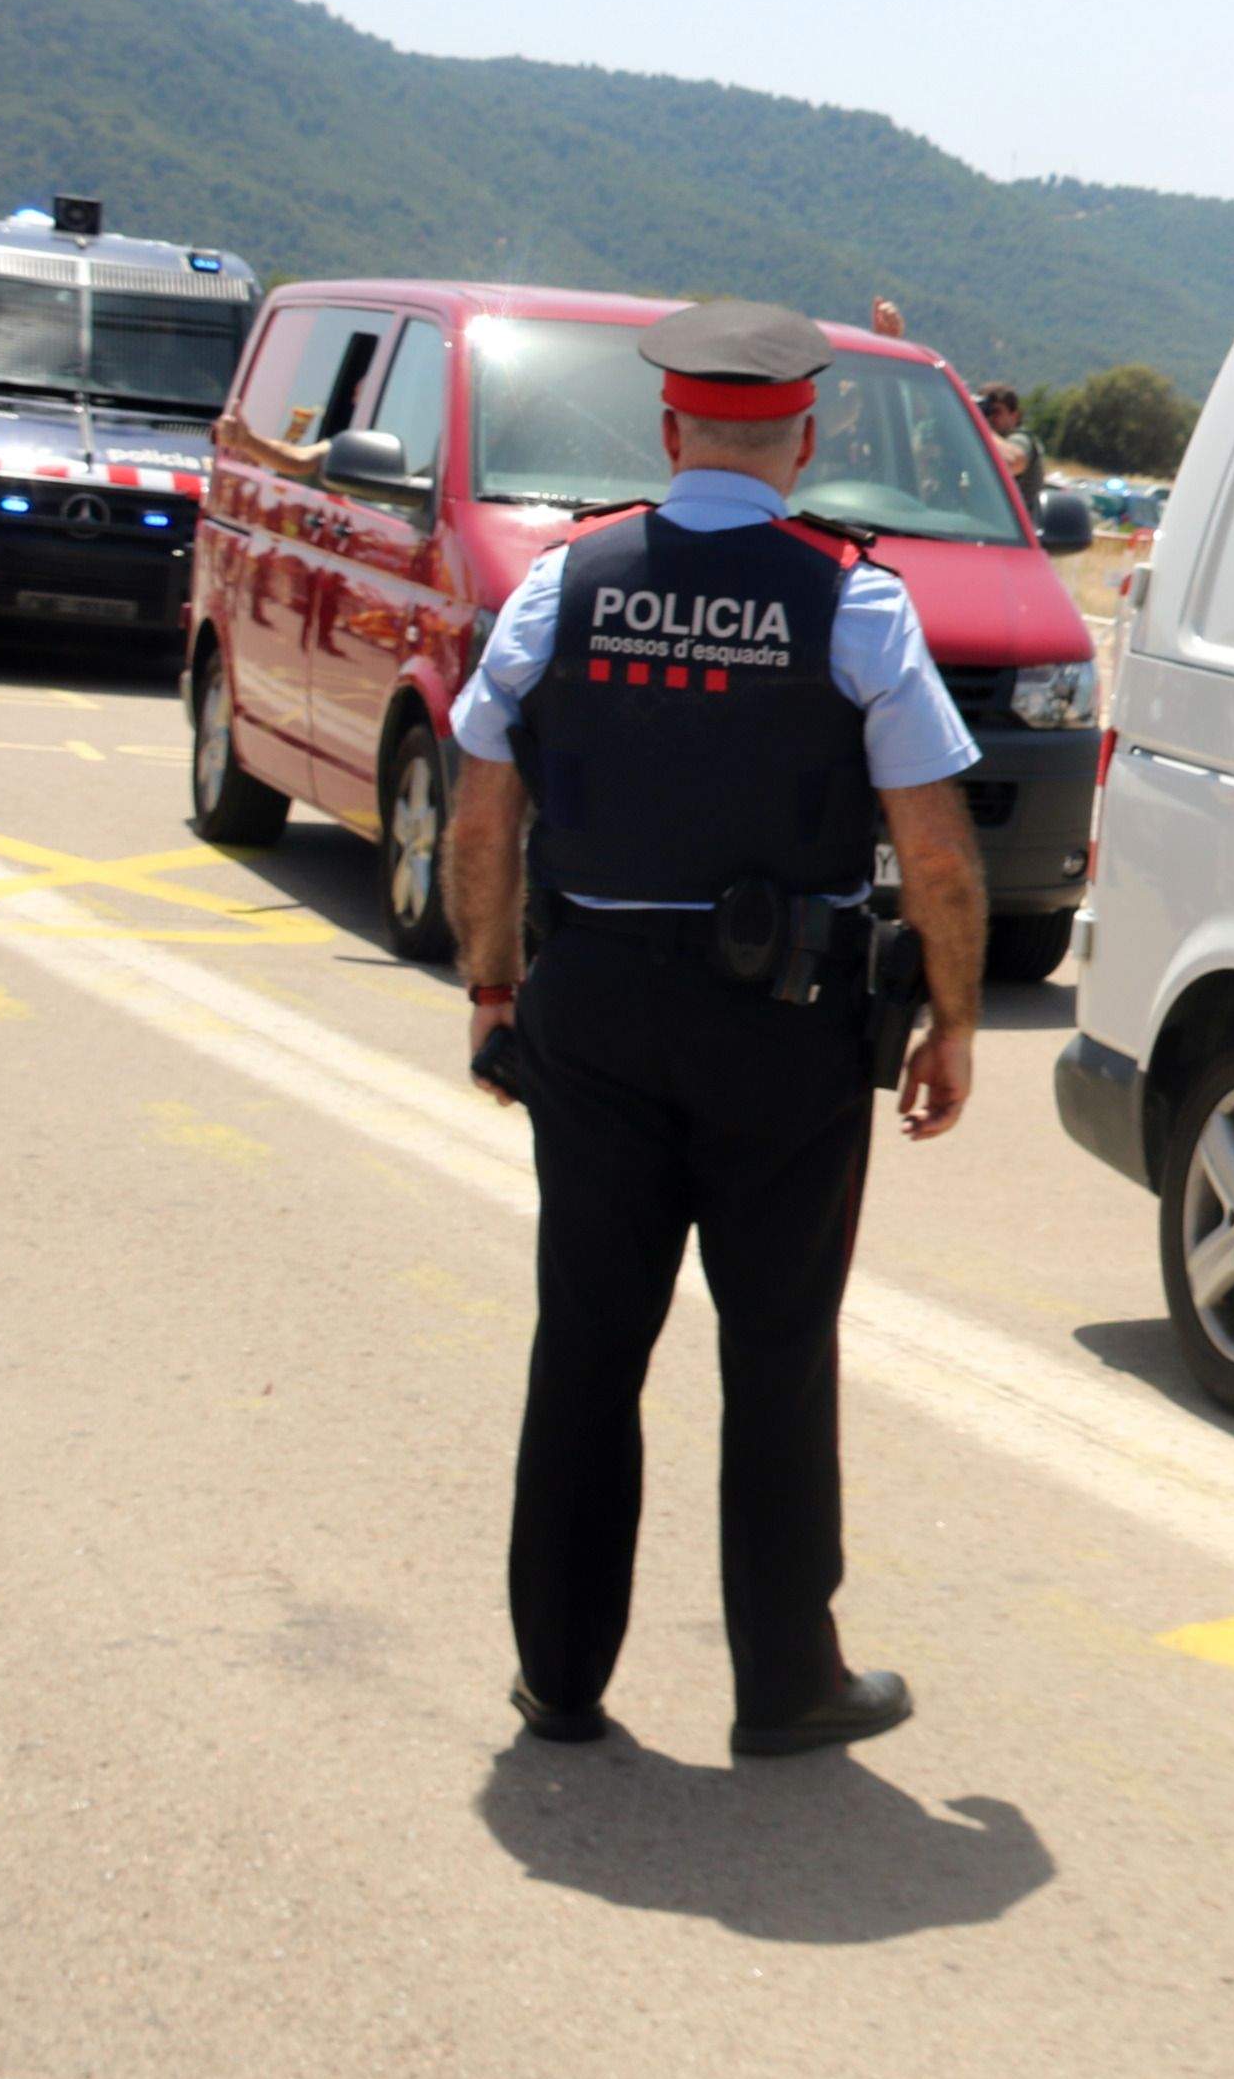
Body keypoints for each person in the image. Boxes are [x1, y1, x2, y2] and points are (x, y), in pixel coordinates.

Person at [444, 299, 989, 1759]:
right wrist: (952, 1021)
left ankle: (560, 1679)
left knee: (588, 1345)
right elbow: (933, 849)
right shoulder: (855, 601)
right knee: (778, 1352)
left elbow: (482, 800)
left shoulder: (565, 582)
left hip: (598, 1014)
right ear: (802, 442)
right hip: (785, 1033)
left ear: (670, 431)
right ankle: (785, 1681)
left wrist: (495, 991)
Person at [978, 382, 1049, 503]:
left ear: (1015, 416)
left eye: (996, 412)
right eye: (985, 411)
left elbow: (1011, 461)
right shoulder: (985, 443)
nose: (989, 418)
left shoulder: (1021, 439)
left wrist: (978, 423)